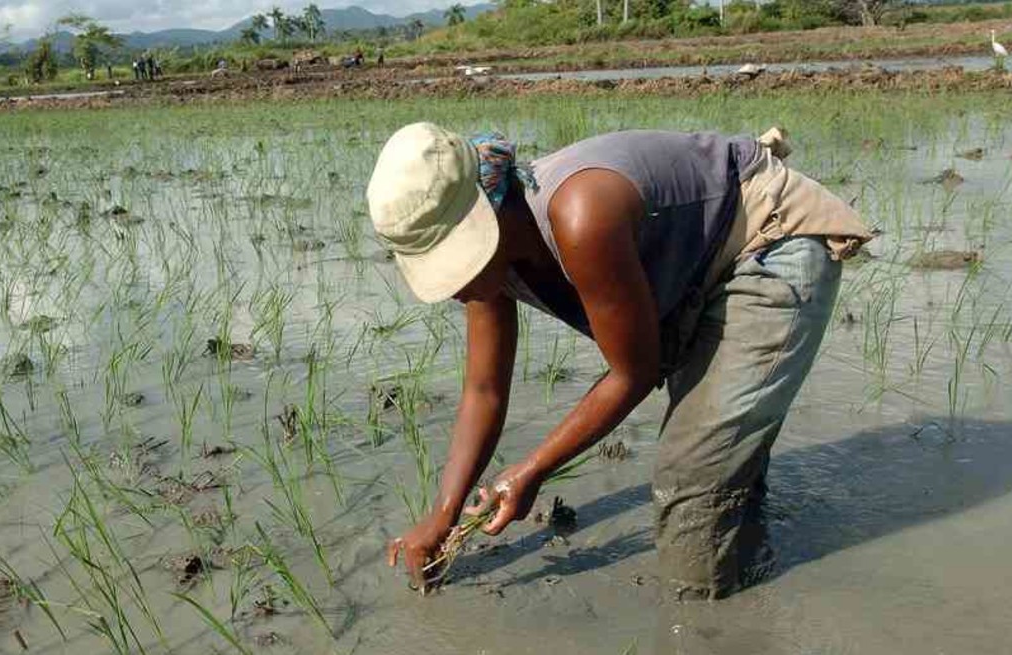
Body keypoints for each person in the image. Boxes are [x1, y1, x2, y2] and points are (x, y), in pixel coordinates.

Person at [369, 123, 873, 600]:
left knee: (690, 481)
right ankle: (750, 565)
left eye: (453, 263)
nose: (455, 290)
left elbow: (635, 372)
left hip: (767, 242)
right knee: (716, 461)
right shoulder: (491, 262)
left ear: (487, 219)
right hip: (690, 274)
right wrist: (444, 515)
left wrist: (532, 470)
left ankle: (713, 621)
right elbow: (484, 391)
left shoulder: (581, 216)